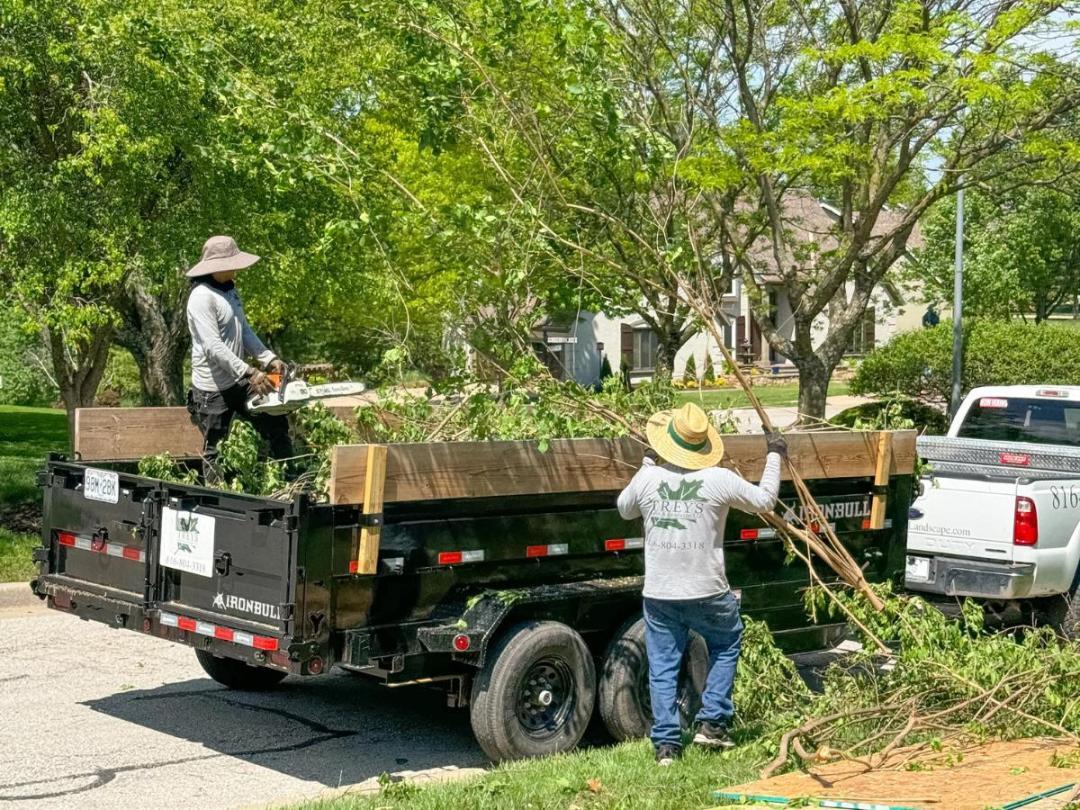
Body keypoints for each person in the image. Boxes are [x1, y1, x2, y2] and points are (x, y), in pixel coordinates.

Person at [617, 402, 785, 766]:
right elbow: (765, 500)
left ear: (667, 443)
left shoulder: (648, 479)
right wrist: (774, 453)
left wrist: (647, 463)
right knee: (726, 641)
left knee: (662, 667)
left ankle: (666, 746)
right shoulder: (718, 479)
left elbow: (624, 508)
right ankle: (711, 724)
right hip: (708, 589)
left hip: (660, 592)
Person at [185, 235, 293, 480]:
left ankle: (291, 476)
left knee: (275, 417)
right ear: (218, 265)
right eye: (232, 263)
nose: (236, 268)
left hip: (238, 381)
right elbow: (213, 347)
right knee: (217, 448)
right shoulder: (201, 297)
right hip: (212, 389)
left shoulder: (230, 291)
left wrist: (268, 358)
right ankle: (217, 497)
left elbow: (244, 331)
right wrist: (250, 371)